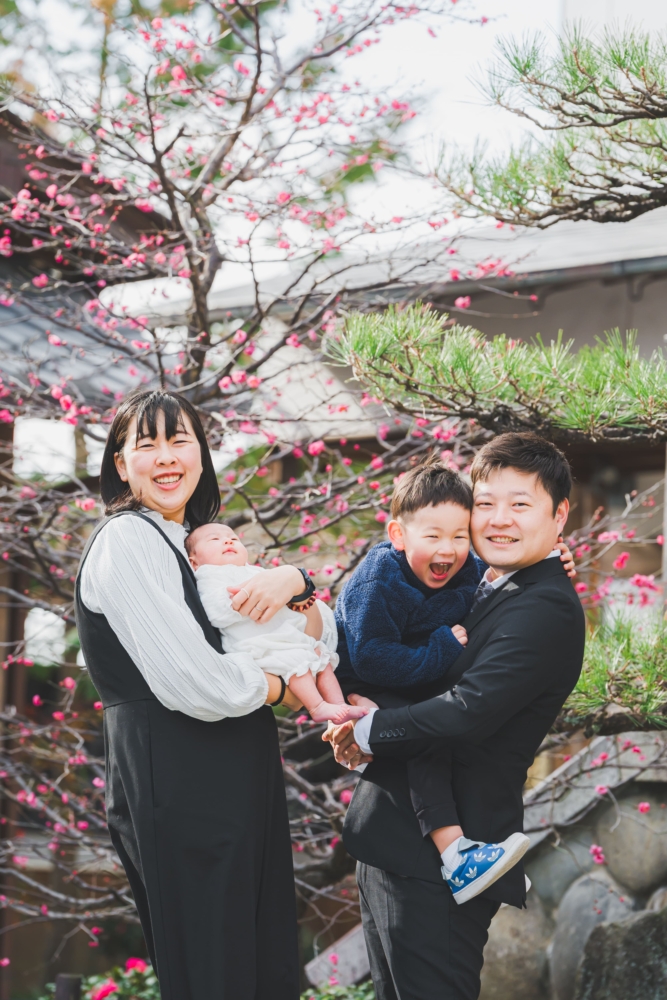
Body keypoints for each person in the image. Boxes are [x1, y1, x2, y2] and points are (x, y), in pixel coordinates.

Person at [75, 388, 329, 1000]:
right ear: (119, 463)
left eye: (180, 440)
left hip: (232, 773)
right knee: (216, 967)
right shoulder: (128, 541)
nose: (166, 456)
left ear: (202, 453)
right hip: (179, 773)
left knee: (259, 959)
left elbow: (313, 635)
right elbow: (192, 681)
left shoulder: (195, 545)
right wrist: (274, 687)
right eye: (147, 444)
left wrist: (295, 579)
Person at [327, 432, 586, 1000]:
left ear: (559, 514)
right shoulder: (481, 580)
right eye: (486, 503)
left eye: (520, 505)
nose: (498, 520)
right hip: (393, 844)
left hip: (447, 863)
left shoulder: (546, 608)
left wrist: (365, 728)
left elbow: (467, 713)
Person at [186, 520, 366, 724]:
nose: (227, 541)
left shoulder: (254, 571)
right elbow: (214, 611)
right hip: (259, 645)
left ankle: (339, 705)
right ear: (194, 562)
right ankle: (317, 707)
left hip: (285, 636)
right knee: (296, 661)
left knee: (319, 655)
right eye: (215, 539)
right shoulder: (209, 577)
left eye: (233, 538)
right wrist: (239, 600)